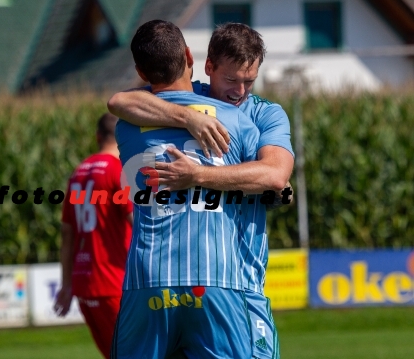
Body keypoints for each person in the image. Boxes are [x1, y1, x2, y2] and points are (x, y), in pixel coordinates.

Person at [108, 22, 294, 358]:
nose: (240, 91)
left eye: (249, 81)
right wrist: (189, 119)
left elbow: (277, 178)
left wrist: (197, 175)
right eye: (231, 79)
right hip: (221, 275)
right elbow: (118, 100)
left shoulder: (266, 114)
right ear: (204, 65)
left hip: (231, 273)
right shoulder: (224, 116)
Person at [54, 113, 133, 359]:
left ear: (98, 137)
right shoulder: (118, 171)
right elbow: (139, 223)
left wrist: (66, 285)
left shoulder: (78, 173)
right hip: (116, 281)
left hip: (85, 285)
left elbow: (67, 234)